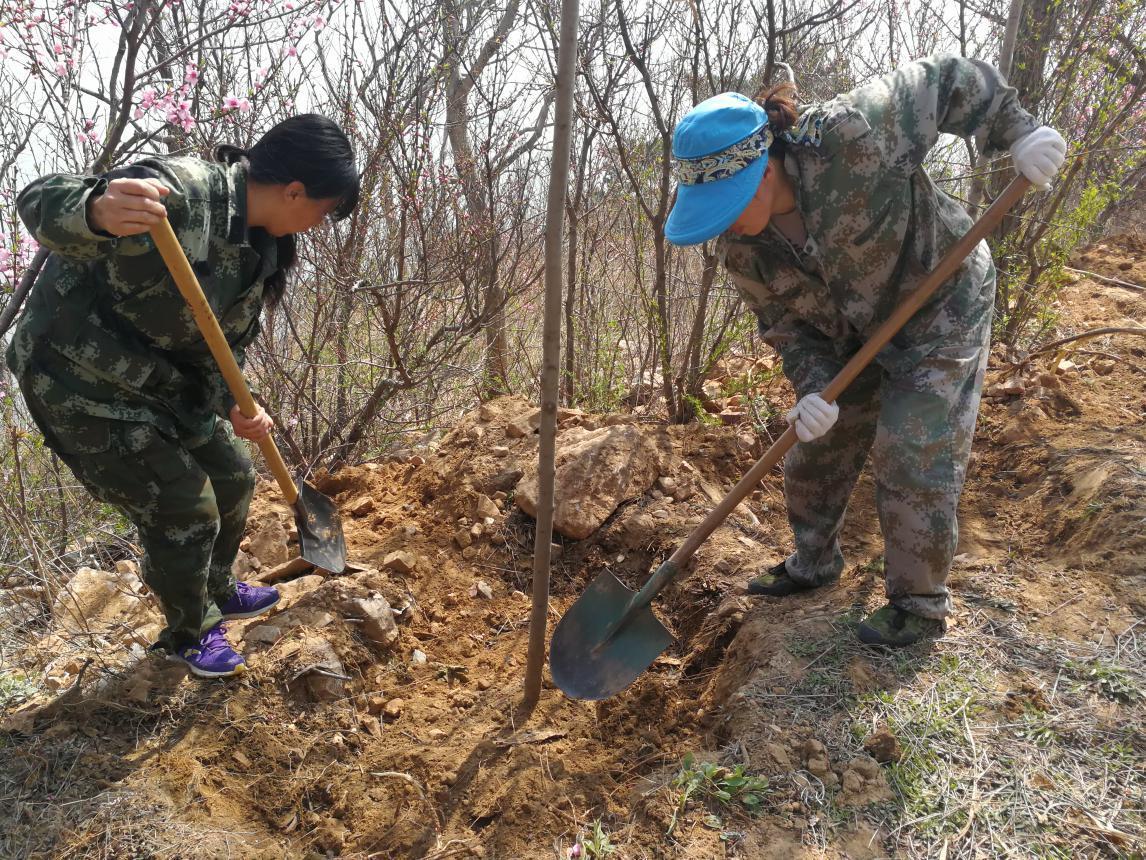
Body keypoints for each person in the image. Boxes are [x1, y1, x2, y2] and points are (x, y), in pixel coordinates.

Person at [664, 56, 1065, 645]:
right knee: (811, 447)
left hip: (941, 304)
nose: (723, 228)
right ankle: (814, 563)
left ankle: (919, 604)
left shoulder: (850, 137)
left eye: (726, 209)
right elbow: (787, 327)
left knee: (912, 447)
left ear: (763, 174)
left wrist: (1017, 131)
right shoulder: (744, 252)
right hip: (849, 335)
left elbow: (948, 78)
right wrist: (810, 390)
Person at [7, 114, 360, 676]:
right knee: (184, 504)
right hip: (79, 380)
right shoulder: (183, 192)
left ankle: (217, 587)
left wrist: (234, 401)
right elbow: (41, 198)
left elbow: (220, 345)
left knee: (235, 475)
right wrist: (96, 211)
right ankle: (188, 633)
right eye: (324, 209)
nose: (320, 223)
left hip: (165, 383)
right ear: (294, 191)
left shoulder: (262, 245)